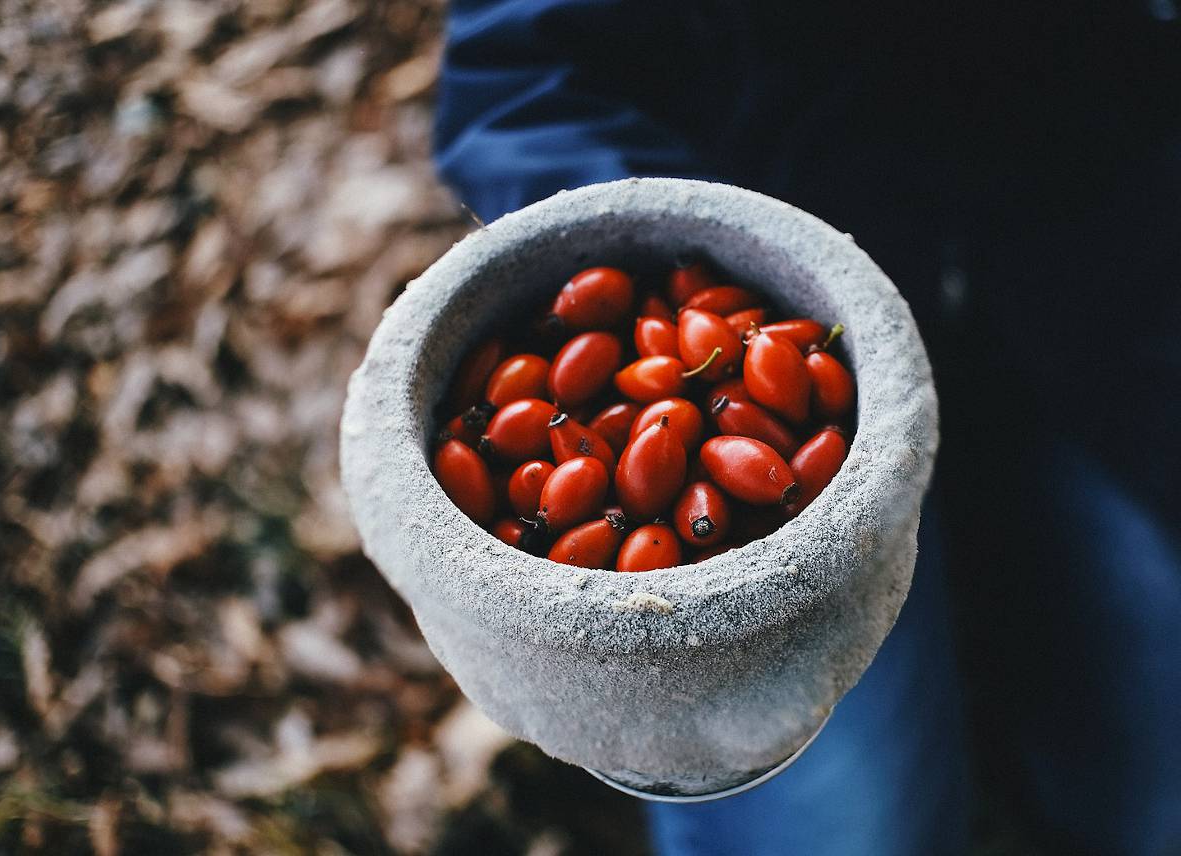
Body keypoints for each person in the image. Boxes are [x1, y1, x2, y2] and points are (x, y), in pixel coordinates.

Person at [433, 2, 1181, 853]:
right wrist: (673, 243)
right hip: (789, 296)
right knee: (837, 821)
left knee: (1153, 768)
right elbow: (520, 79)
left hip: (1088, 301)